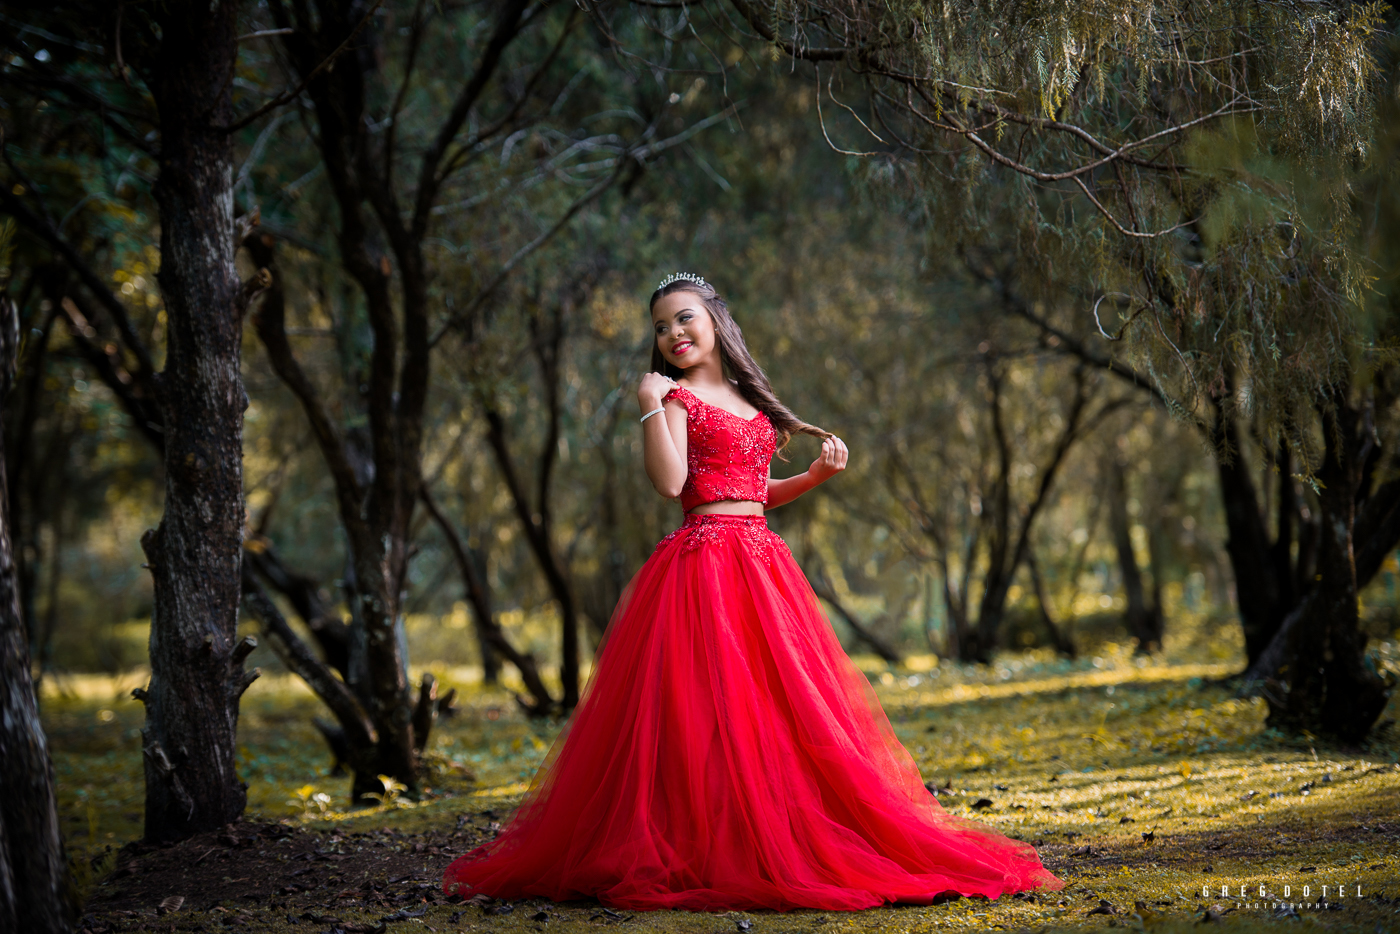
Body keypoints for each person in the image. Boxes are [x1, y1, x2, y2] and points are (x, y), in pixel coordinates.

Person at [442, 273, 1064, 911]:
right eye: (661, 328)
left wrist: (816, 477)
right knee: (704, 708)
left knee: (779, 702)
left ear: (715, 320)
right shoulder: (677, 400)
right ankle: (708, 842)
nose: (673, 334)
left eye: (683, 319)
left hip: (761, 563)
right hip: (702, 566)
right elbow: (671, 482)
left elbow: (754, 492)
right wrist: (650, 405)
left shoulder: (750, 402)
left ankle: (781, 827)